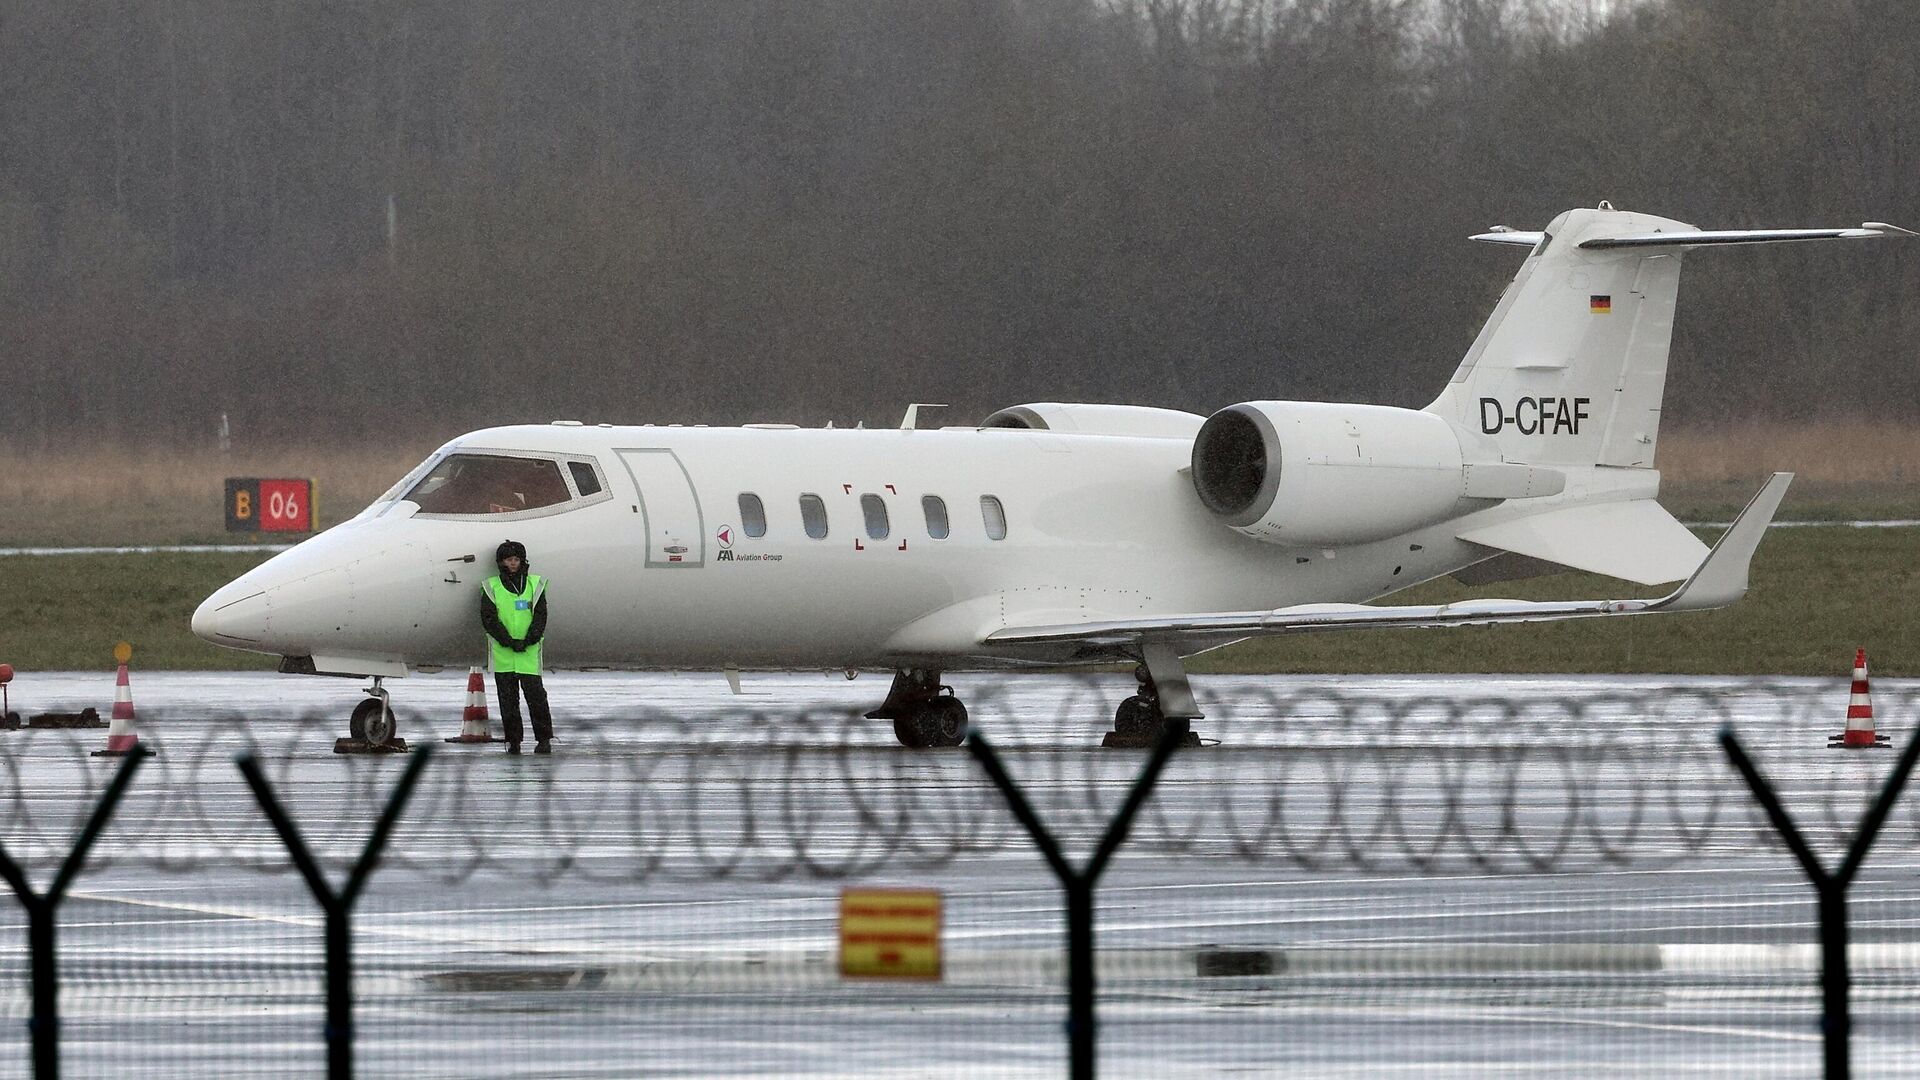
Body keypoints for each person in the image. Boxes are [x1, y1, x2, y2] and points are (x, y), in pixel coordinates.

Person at [480, 540, 553, 754]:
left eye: (516, 559)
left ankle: (544, 739)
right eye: (508, 560)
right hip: (504, 655)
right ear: (501, 562)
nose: (513, 564)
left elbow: (541, 616)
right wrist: (508, 640)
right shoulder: (490, 586)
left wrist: (529, 639)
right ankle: (514, 741)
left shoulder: (535, 585)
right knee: (508, 702)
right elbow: (488, 618)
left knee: (537, 699)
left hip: (528, 654)